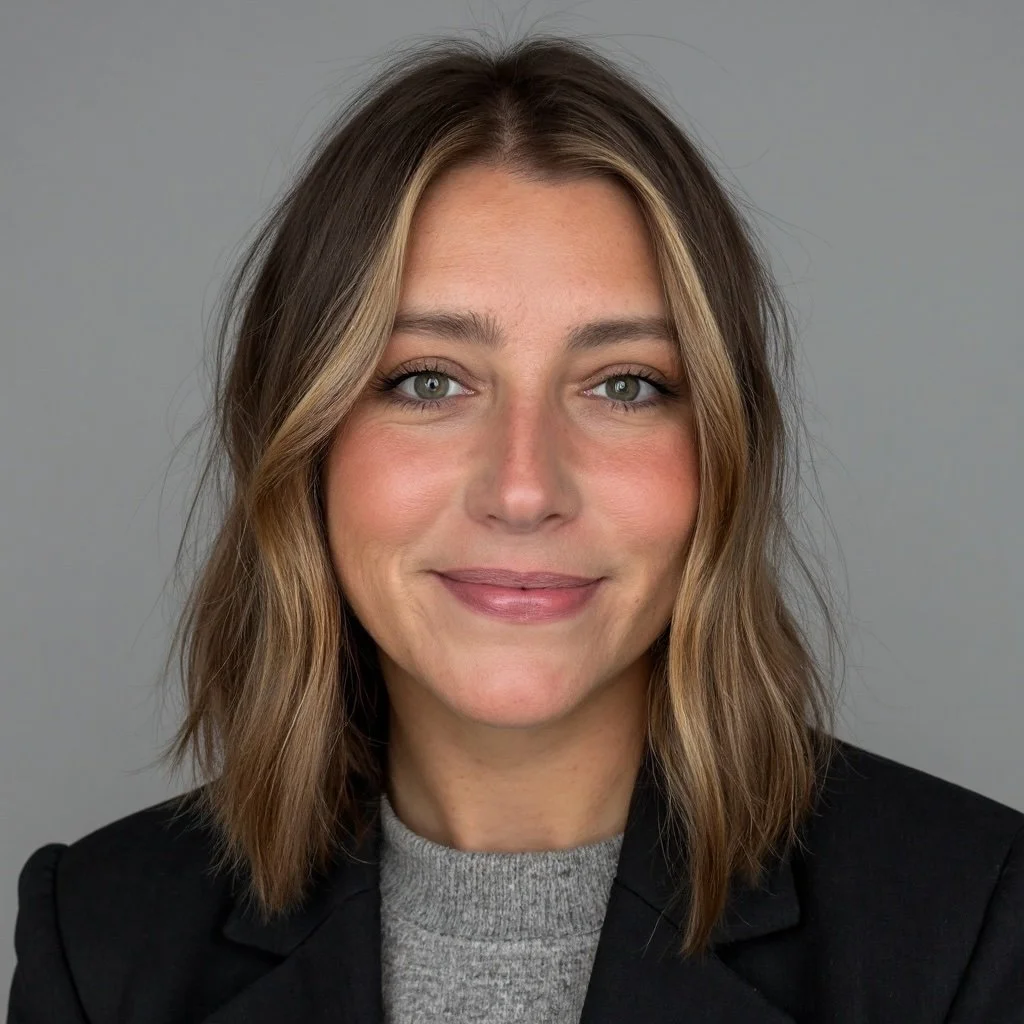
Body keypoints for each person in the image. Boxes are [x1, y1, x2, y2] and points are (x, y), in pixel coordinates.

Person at [7, 31, 1023, 1024]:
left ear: (724, 450)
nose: (525, 486)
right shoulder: (100, 938)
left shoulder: (970, 922)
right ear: (300, 440)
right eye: (426, 380)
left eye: (625, 385)